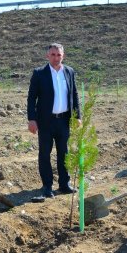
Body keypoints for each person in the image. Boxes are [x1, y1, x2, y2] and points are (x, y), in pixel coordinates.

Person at [27, 43, 81, 198]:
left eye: (59, 55)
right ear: (47, 56)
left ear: (63, 56)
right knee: (45, 153)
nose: (56, 58)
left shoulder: (69, 72)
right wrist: (31, 119)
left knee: (64, 153)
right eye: (53, 54)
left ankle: (64, 184)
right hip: (45, 121)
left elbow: (74, 95)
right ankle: (47, 186)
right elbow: (31, 98)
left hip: (63, 120)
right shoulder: (39, 73)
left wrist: (77, 116)